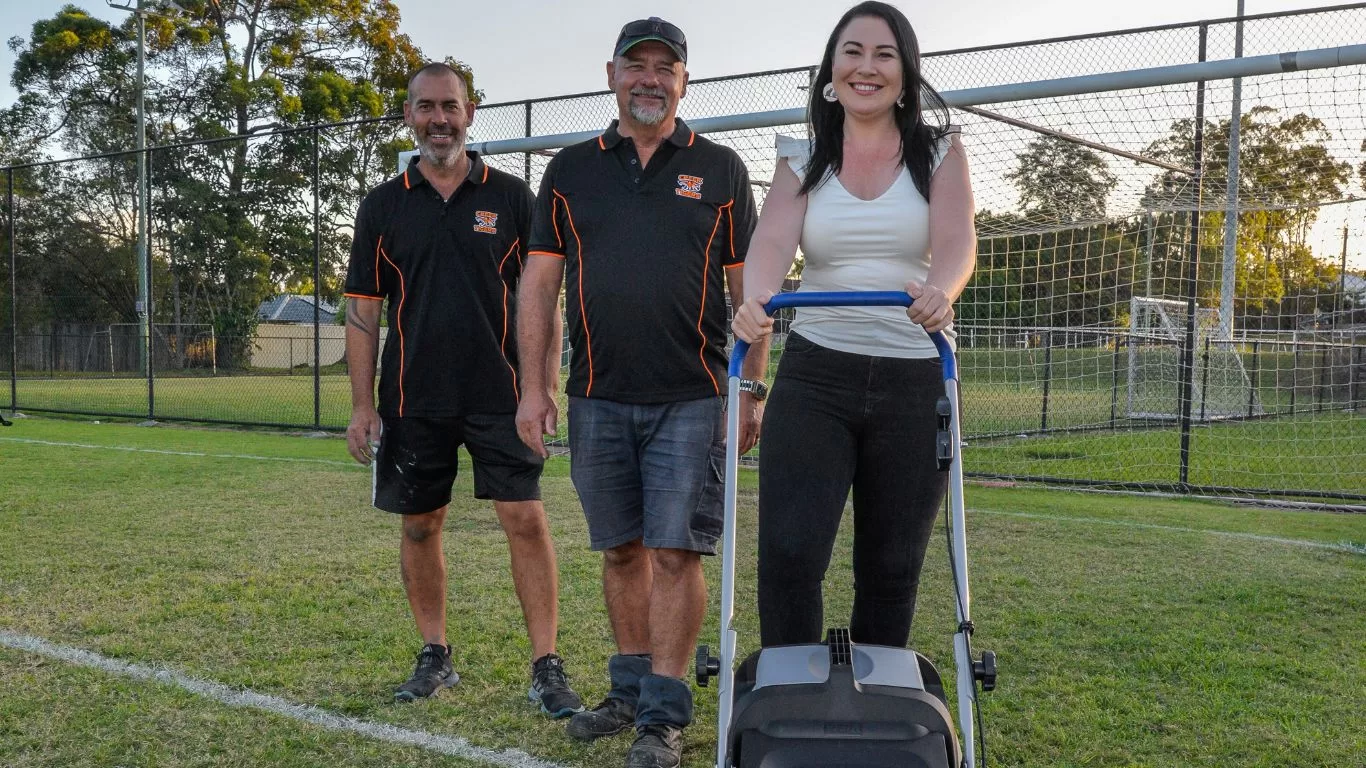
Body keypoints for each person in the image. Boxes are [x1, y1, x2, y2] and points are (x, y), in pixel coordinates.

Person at [514, 17, 766, 768]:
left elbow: (750, 291)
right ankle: (625, 692)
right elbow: (539, 286)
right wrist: (534, 387)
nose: (650, 78)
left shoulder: (720, 170)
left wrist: (749, 389)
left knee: (675, 554)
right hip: (595, 396)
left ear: (684, 80)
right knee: (621, 551)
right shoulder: (568, 170)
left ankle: (663, 713)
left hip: (693, 397)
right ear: (611, 74)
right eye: (637, 65)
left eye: (666, 67)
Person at [731, 1, 977, 650]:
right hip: (816, 376)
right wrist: (757, 299)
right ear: (830, 70)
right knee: (788, 553)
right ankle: (788, 702)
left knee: (892, 566)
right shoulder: (802, 157)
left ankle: (876, 708)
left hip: (915, 378)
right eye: (853, 52)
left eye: (884, 55)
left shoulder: (940, 153)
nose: (866, 67)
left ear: (906, 74)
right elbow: (772, 244)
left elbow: (958, 242)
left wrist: (940, 292)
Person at [342, 62, 583, 717]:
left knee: (525, 521)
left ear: (470, 112)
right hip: (411, 398)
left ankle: (546, 665)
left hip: (501, 395)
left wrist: (542, 384)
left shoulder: (511, 198)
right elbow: (363, 313)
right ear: (408, 116)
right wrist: (363, 407)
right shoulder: (382, 205)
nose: (439, 119)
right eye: (425, 107)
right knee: (421, 527)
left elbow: (544, 302)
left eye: (449, 105)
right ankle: (435, 655)